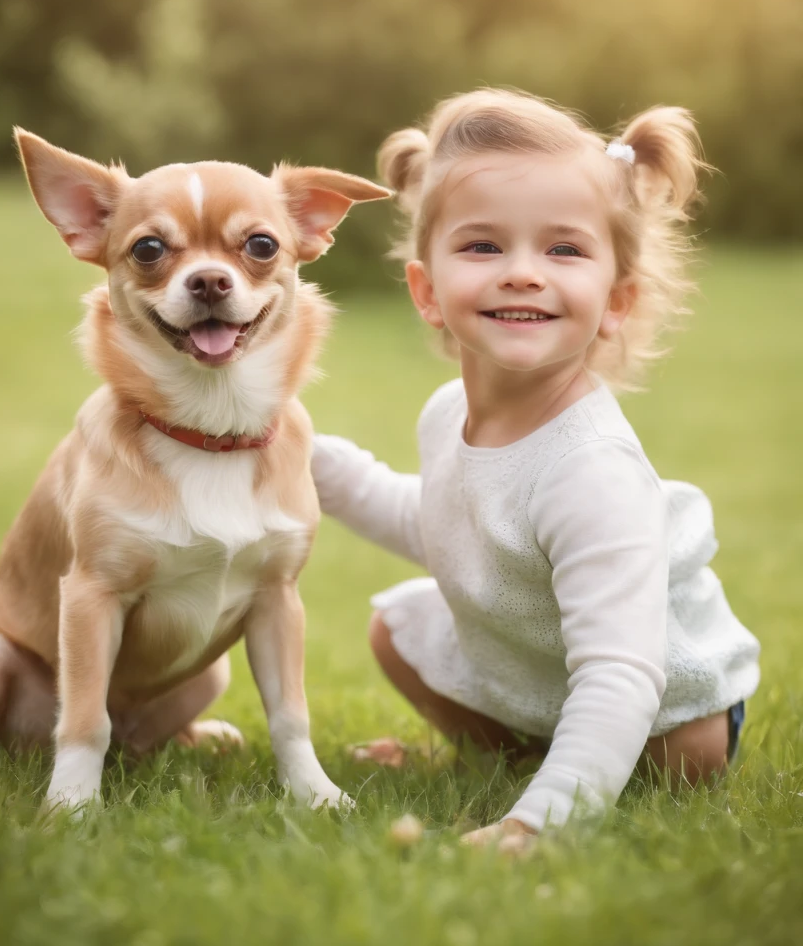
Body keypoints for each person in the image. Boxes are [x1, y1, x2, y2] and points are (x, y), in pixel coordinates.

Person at [311, 89, 759, 852]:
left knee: (658, 742)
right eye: (483, 247)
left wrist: (541, 827)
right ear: (427, 291)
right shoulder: (447, 412)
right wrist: (301, 454)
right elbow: (442, 525)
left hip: (666, 721)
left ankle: (549, 786)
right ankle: (514, 755)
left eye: (564, 249)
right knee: (398, 625)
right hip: (542, 674)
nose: (523, 273)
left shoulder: (590, 470)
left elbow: (622, 674)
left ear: (616, 301)